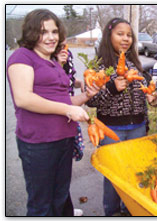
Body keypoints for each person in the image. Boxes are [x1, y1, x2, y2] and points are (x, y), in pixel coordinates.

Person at [6, 9, 100, 216]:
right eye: (43, 32)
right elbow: (23, 98)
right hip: (39, 144)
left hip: (63, 140)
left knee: (60, 197)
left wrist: (84, 97)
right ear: (31, 33)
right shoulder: (22, 56)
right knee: (41, 205)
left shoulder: (53, 62)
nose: (51, 37)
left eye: (54, 31)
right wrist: (68, 109)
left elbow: (63, 100)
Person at [86, 17, 148, 216]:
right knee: (114, 175)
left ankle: (129, 209)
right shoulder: (99, 65)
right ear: (109, 35)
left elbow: (141, 95)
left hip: (137, 126)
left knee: (133, 172)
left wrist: (146, 114)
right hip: (112, 128)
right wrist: (112, 88)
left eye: (129, 35)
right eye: (120, 34)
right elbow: (92, 102)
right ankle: (112, 212)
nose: (126, 39)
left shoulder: (134, 63)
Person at [56, 42, 86, 161]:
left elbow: (70, 80)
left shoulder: (68, 54)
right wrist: (58, 64)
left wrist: (82, 83)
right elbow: (54, 86)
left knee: (66, 157)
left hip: (71, 113)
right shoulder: (47, 57)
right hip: (57, 113)